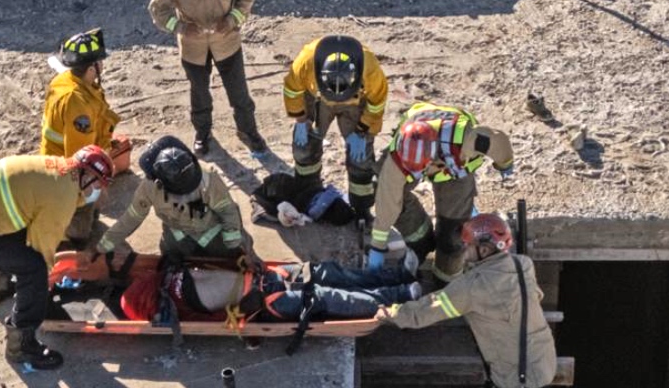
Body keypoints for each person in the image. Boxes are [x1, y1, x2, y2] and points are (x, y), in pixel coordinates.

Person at [0, 146, 114, 370]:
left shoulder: (58, 169)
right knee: (33, 269)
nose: (98, 190)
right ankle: (21, 347)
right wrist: (43, 288)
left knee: (18, 244)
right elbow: (42, 248)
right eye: (98, 184)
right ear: (87, 176)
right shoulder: (62, 197)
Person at [377, 214, 556, 388]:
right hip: (544, 361)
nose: (464, 249)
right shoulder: (523, 265)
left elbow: (426, 311)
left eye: (468, 245)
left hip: (515, 379)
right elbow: (535, 297)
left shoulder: (473, 285)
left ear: (485, 249)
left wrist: (392, 313)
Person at [148, 0, 267, 157]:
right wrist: (181, 27)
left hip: (227, 43)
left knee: (239, 93)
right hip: (193, 47)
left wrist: (231, 20)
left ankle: (248, 132)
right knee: (199, 94)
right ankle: (203, 134)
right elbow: (157, 9)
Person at [369, 101, 514, 284]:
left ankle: (445, 282)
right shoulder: (400, 155)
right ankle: (421, 241)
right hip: (419, 144)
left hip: (454, 165)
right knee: (386, 189)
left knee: (453, 238)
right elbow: (387, 198)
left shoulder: (470, 141)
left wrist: (505, 163)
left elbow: (498, 142)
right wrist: (377, 246)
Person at [120, 257, 419, 323]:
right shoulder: (174, 301)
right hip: (269, 297)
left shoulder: (173, 284)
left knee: (330, 275)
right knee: (333, 294)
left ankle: (399, 281)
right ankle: (400, 294)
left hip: (269, 280)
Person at [282, 35, 389, 220]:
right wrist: (301, 119)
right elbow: (292, 90)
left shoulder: (369, 67)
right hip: (317, 99)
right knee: (305, 146)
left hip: (356, 102)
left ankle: (361, 206)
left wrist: (362, 130)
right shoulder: (306, 61)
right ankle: (308, 193)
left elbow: (377, 103)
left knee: (361, 157)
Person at [40, 28, 128, 245]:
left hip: (58, 159)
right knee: (81, 225)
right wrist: (98, 183)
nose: (102, 65)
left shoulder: (66, 81)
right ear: (91, 69)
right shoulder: (76, 102)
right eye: (99, 62)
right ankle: (69, 239)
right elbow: (81, 160)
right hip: (67, 170)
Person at [96, 135, 244, 263]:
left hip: (210, 232)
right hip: (177, 236)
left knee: (234, 252)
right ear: (160, 182)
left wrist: (233, 245)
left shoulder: (209, 179)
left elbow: (227, 210)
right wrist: (103, 246)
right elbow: (132, 217)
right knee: (170, 264)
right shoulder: (149, 187)